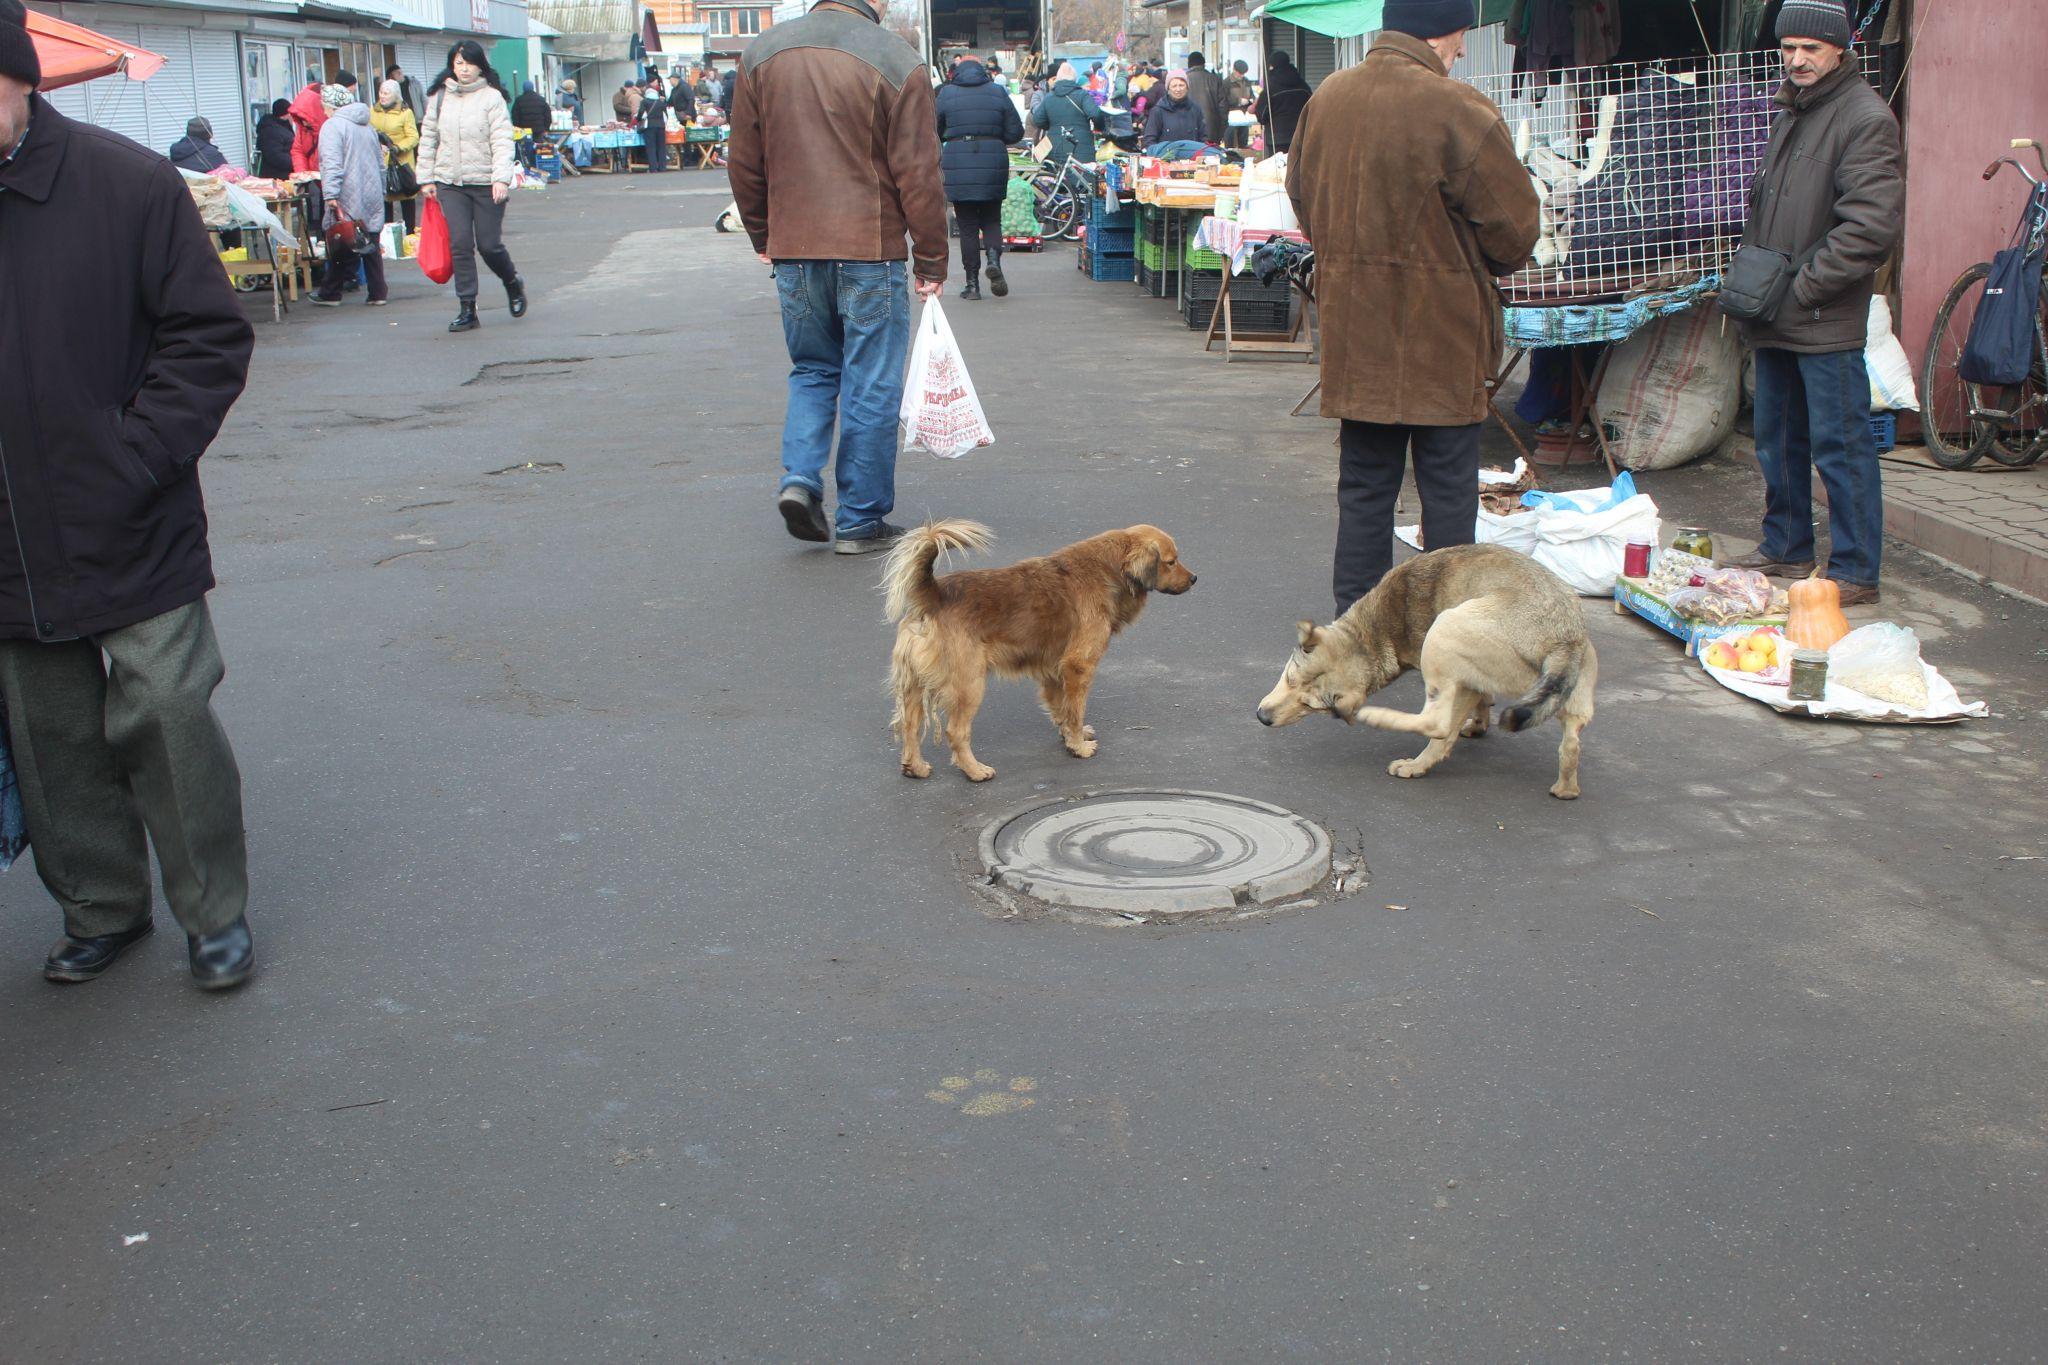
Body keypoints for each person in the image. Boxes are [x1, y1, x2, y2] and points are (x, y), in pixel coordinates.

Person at [0, 0, 258, 991]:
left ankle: (213, 913)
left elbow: (208, 336)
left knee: (168, 713)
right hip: (7, 538)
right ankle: (102, 907)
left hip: (125, 512)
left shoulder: (128, 185)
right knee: (51, 737)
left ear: (21, 79)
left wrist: (138, 456)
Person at [1287, 0, 1539, 615]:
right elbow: (1515, 231)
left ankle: (1358, 627)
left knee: (1366, 488)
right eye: (1461, 38)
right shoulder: (1458, 109)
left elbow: (1301, 197)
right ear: (1448, 31)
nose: (1459, 51)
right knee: (1448, 492)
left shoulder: (1328, 99)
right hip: (1442, 333)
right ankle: (1448, 629)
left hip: (1357, 331)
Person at [728, 0, 947, 554]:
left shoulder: (762, 52)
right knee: (871, 382)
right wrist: (932, 261)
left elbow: (744, 164)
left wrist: (765, 237)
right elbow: (918, 175)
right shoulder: (898, 60)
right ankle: (860, 518)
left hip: (795, 248)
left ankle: (800, 479)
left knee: (812, 370)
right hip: (868, 248)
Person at [1721, 0, 1901, 605]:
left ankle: (1854, 571)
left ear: (1842, 49)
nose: (1796, 59)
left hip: (1820, 313)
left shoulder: (1864, 117)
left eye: (1811, 49)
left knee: (1841, 446)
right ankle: (1787, 545)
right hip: (1775, 311)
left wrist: (1803, 287)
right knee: (1777, 440)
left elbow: (1869, 228)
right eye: (1788, 47)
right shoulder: (1793, 109)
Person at [417, 39, 525, 333]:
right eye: (458, 64)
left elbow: (502, 141)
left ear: (480, 66)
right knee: (460, 244)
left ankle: (512, 282)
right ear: (452, 66)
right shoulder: (440, 98)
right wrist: (426, 177)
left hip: (486, 183)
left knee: (489, 245)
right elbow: (428, 139)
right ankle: (467, 307)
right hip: (450, 183)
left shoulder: (492, 98)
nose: (464, 69)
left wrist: (501, 178)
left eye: (469, 63)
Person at [936, 55, 1023, 302]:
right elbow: (1015, 131)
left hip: (958, 162)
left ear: (956, 72)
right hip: (992, 162)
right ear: (983, 71)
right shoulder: (997, 92)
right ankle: (993, 259)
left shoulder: (946, 93)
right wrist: (993, 138)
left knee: (967, 227)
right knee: (992, 219)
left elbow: (933, 128)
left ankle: (972, 285)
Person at [309, 86, 387, 307]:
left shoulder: (332, 127)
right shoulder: (367, 126)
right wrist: (381, 190)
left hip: (347, 192)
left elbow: (331, 163)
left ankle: (331, 291)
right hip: (371, 191)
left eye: (325, 106)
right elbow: (381, 164)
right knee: (370, 239)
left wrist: (331, 193)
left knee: (341, 240)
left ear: (331, 106)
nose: (323, 111)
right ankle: (378, 291)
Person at [1030, 62, 1108, 164]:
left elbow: (1037, 119)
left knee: (1059, 176)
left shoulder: (1049, 97)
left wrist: (1054, 127)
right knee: (1082, 177)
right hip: (1081, 146)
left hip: (1055, 146)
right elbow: (1095, 114)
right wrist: (1099, 127)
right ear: (1074, 79)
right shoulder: (1082, 95)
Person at [370, 79, 420, 234]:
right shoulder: (373, 110)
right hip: (382, 162)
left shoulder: (406, 112)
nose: (383, 96)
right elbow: (369, 132)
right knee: (385, 200)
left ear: (396, 95)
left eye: (387, 93)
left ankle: (410, 234)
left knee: (407, 198)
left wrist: (398, 148)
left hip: (401, 163)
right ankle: (389, 236)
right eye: (381, 92)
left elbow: (413, 137)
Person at [1253, 51, 1310, 153]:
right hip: (1300, 136)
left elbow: (1261, 115)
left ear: (1272, 66)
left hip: (1276, 140)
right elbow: (1311, 108)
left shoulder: (1271, 87)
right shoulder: (1303, 85)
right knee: (1296, 167)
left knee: (1277, 168)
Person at [1142, 71, 1205, 146]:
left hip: (1192, 155)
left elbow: (1203, 137)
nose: (1178, 89)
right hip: (1166, 156)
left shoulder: (1195, 109)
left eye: (1181, 85)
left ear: (1187, 87)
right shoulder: (1158, 111)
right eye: (1174, 86)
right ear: (1168, 88)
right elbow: (1149, 140)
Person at [1181, 51, 1228, 143]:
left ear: (1189, 64)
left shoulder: (1183, 81)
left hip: (1187, 129)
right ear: (1203, 64)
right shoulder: (1215, 79)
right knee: (1210, 155)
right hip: (1211, 129)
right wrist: (1221, 130)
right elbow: (1223, 107)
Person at [288, 76, 327, 172]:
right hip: (313, 180)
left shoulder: (332, 129)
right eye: (301, 118)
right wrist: (303, 174)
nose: (304, 122)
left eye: (306, 118)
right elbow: (298, 151)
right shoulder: (303, 129)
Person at [511, 79, 552, 170]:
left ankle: (527, 166)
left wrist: (517, 127)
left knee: (525, 149)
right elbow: (548, 115)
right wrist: (546, 128)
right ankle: (538, 166)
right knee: (538, 148)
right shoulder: (541, 99)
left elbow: (515, 115)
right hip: (538, 130)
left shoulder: (519, 100)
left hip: (524, 131)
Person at [254, 97, 295, 177]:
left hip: (286, 172)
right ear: (285, 115)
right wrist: (296, 162)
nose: (293, 118)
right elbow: (275, 156)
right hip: (278, 176)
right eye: (291, 114)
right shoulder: (271, 131)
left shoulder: (282, 127)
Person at [635, 77, 669, 171]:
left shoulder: (644, 101)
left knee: (651, 148)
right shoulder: (660, 102)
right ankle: (662, 167)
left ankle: (653, 168)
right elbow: (666, 114)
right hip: (661, 126)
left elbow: (640, 114)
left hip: (649, 126)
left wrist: (638, 120)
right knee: (661, 147)